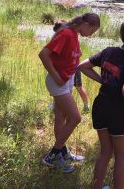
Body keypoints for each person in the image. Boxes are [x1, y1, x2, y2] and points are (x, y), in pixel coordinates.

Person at [78, 21, 124, 189]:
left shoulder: (109, 51)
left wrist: (103, 80)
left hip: (100, 105)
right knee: (122, 156)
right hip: (119, 110)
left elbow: (82, 66)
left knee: (105, 152)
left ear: (121, 36)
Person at [39, 13, 100, 173]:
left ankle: (62, 152)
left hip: (66, 81)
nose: (91, 35)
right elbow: (43, 54)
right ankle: (52, 156)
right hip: (58, 83)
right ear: (86, 24)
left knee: (62, 117)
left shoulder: (74, 34)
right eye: (92, 31)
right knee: (75, 117)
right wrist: (56, 76)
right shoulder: (66, 33)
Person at [53, 20, 90, 112]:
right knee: (60, 89)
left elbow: (79, 53)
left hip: (74, 67)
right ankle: (56, 106)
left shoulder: (73, 38)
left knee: (78, 87)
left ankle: (86, 106)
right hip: (65, 68)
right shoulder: (60, 38)